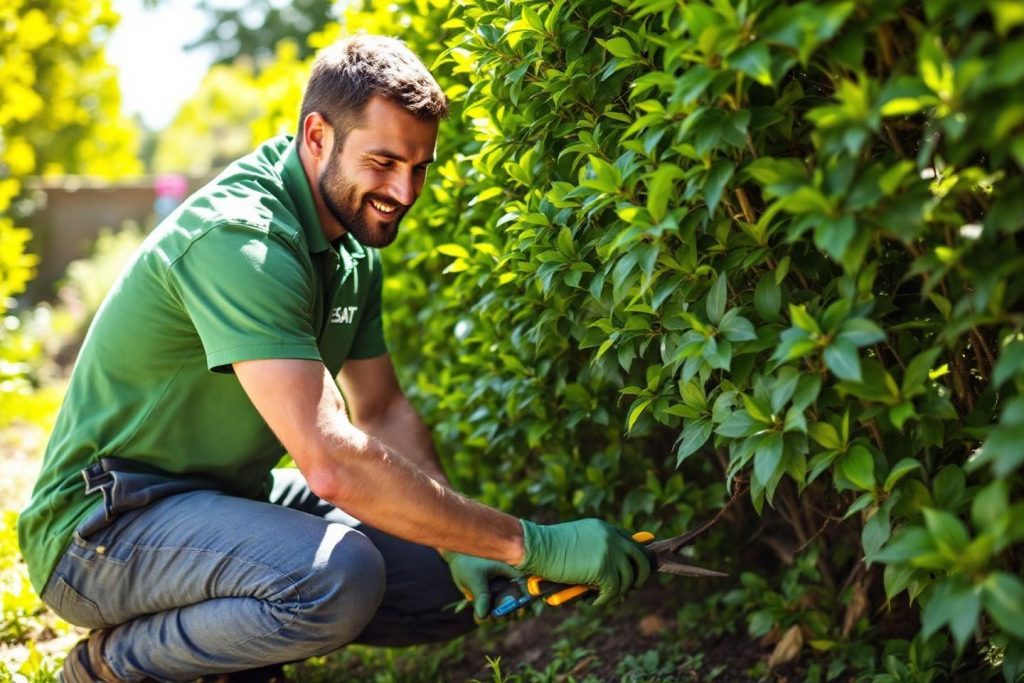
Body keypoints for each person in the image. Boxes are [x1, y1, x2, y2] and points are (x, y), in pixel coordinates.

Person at [18, 35, 651, 682]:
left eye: (419, 167)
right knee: (338, 575)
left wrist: (458, 543)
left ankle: (225, 655)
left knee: (439, 581)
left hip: (220, 498)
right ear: (318, 135)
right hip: (102, 529)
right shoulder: (243, 240)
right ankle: (114, 666)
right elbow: (330, 462)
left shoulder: (349, 247)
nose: (404, 191)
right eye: (383, 161)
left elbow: (382, 408)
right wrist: (530, 543)